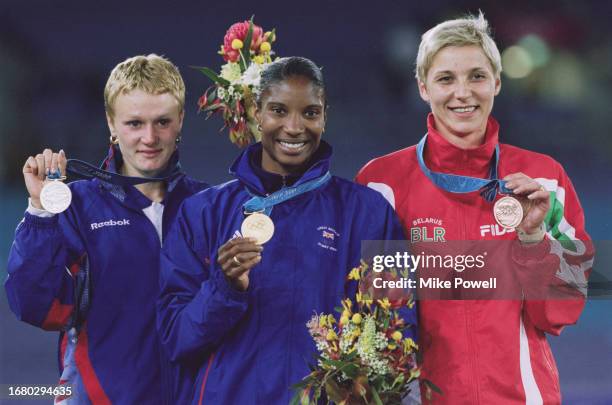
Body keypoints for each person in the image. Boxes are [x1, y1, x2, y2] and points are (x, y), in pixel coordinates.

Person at [356, 13, 594, 405]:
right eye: (446, 79)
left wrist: (534, 239)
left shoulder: (544, 179)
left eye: (477, 76)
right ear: (422, 87)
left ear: (497, 83)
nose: (462, 93)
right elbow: (369, 316)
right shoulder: (382, 184)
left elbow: (561, 312)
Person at [157, 56, 416, 404]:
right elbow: (176, 339)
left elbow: (398, 331)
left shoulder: (370, 214)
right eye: (279, 110)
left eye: (310, 113)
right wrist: (225, 288)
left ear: (325, 116)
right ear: (257, 113)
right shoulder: (201, 213)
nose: (294, 127)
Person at [5, 54, 208, 404]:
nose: (150, 137)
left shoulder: (209, 206)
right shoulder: (76, 206)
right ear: (111, 123)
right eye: (134, 123)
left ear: (181, 121)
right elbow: (38, 308)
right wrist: (40, 210)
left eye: (162, 121)